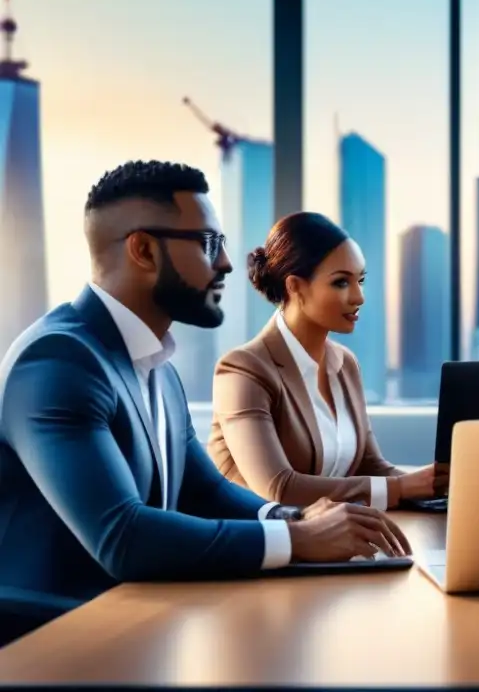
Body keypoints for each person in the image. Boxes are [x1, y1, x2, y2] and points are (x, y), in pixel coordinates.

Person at [0, 161, 411, 615]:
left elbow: (205, 490)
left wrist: (295, 517)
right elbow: (122, 536)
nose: (226, 263)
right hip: (60, 633)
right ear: (144, 250)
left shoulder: (157, 367)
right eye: (208, 243)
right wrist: (297, 538)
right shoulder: (58, 361)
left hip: (145, 614)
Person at [207, 211, 444, 510]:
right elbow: (278, 487)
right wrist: (400, 487)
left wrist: (435, 484)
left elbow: (371, 466)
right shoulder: (243, 370)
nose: (359, 297)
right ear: (295, 286)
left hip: (332, 534)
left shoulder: (345, 364)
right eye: (341, 282)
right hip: (259, 536)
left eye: (360, 280)